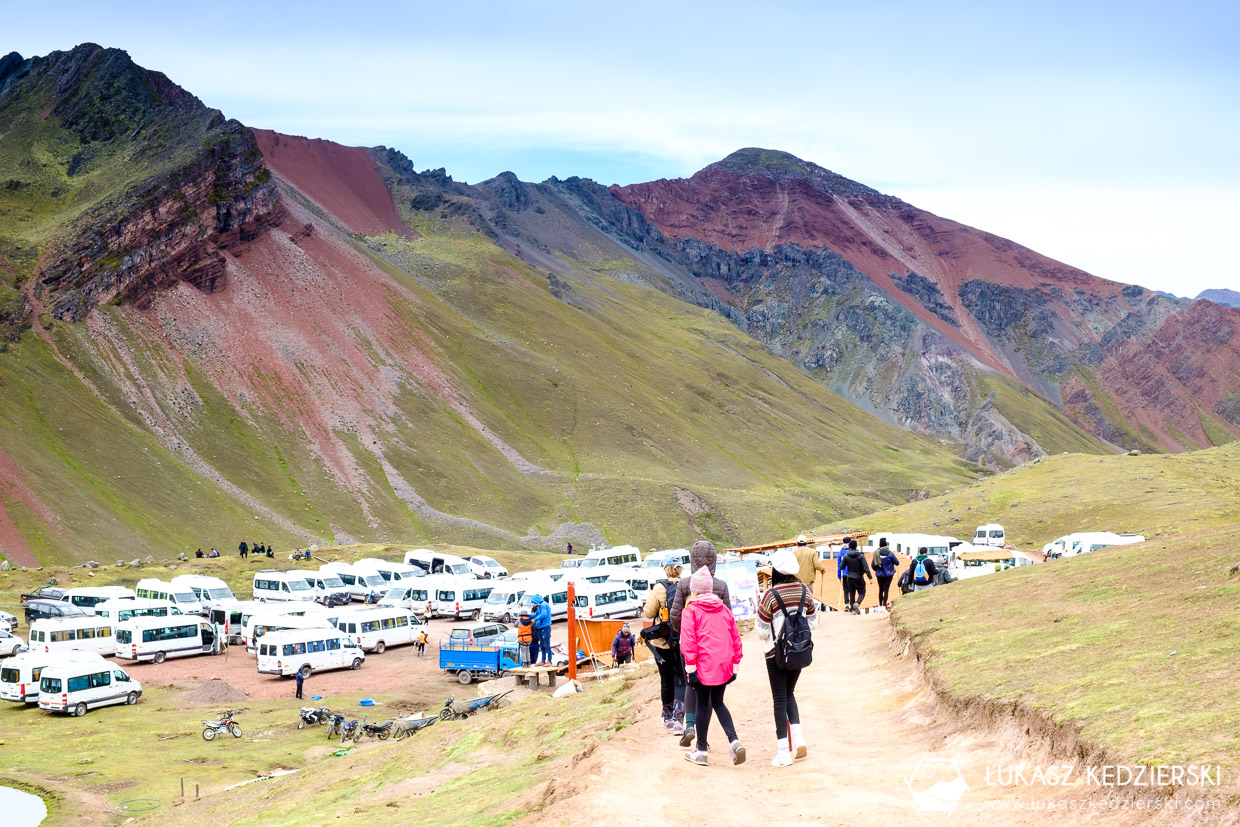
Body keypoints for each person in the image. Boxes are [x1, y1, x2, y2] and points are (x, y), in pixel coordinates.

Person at [758, 549, 818, 766]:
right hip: (798, 651)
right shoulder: (804, 591)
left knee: (779, 698)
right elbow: (812, 623)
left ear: (776, 570)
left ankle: (783, 751)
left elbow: (762, 630)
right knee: (790, 694)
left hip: (775, 653)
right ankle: (799, 738)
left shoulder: (771, 595)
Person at [670, 540, 732, 750]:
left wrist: (682, 633)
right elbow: (729, 617)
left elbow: (675, 614)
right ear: (714, 560)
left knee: (690, 684)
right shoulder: (721, 585)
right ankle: (703, 740)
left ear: (691, 559)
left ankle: (689, 725)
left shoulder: (684, 583)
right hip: (715, 649)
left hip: (687, 644)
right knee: (711, 697)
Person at [680, 566, 745, 766]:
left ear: (694, 590)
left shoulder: (690, 611)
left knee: (701, 704)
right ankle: (734, 741)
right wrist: (734, 666)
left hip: (702, 666)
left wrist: (690, 669)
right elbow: (735, 638)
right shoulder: (724, 609)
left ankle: (701, 750)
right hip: (723, 665)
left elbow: (688, 642)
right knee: (718, 702)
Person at [642, 562, 685, 733]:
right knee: (681, 680)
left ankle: (667, 717)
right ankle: (679, 718)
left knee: (666, 680)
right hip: (682, 640)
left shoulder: (658, 587)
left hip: (662, 642)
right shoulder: (685, 585)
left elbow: (648, 613)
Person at [840, 539, 873, 613]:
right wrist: (870, 577)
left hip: (849, 577)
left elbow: (841, 567)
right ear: (856, 546)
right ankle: (857, 603)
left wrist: (842, 561)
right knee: (862, 592)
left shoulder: (846, 556)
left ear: (849, 547)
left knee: (851, 593)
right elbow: (866, 567)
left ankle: (852, 609)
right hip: (859, 577)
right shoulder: (861, 556)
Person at [871, 539, 899, 609]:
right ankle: (884, 605)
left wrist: (877, 570)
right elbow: (897, 563)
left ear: (879, 545)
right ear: (886, 544)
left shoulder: (876, 553)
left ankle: (880, 605)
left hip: (879, 575)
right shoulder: (890, 553)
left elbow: (873, 565)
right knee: (886, 590)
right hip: (889, 575)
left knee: (880, 589)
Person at [531, 594, 552, 665]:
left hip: (545, 628)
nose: (534, 604)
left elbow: (544, 614)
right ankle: (543, 660)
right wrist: (526, 616)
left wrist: (535, 619)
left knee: (546, 645)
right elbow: (536, 615)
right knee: (542, 645)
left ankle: (549, 660)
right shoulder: (539, 606)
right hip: (540, 628)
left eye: (534, 602)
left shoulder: (543, 605)